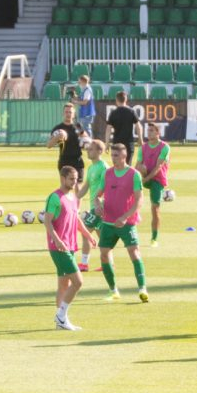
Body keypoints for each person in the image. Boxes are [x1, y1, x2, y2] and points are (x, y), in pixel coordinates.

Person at [44, 165, 96, 331]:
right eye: (71, 179)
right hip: (59, 248)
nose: (74, 183)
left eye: (76, 179)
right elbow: (47, 221)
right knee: (78, 282)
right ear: (62, 178)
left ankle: (61, 320)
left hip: (71, 246)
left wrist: (88, 235)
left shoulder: (73, 197)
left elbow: (76, 219)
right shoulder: (54, 198)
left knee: (63, 284)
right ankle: (60, 316)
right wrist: (57, 240)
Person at [96, 143, 148, 302]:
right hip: (108, 223)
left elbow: (139, 201)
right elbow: (98, 195)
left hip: (127, 223)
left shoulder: (134, 175)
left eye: (116, 156)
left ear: (124, 157)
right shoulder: (107, 173)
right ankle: (113, 291)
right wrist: (97, 204)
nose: (113, 158)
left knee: (134, 252)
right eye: (112, 155)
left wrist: (125, 217)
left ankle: (142, 289)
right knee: (104, 255)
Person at [135, 122, 171, 248]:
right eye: (148, 130)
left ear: (157, 133)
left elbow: (158, 167)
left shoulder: (164, 147)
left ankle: (154, 238)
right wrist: (135, 178)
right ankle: (134, 213)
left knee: (155, 209)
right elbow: (137, 165)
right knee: (142, 167)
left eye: (151, 130)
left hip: (157, 180)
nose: (148, 133)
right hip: (145, 176)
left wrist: (144, 181)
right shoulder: (143, 147)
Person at [75, 138, 108, 272]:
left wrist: (100, 203)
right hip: (95, 207)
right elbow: (86, 187)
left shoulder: (104, 167)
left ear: (100, 151)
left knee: (85, 231)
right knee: (102, 237)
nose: (87, 151)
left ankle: (84, 264)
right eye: (87, 149)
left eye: (91, 149)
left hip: (101, 207)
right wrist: (73, 199)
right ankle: (108, 263)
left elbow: (106, 187)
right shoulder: (91, 167)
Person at [47, 103, 86, 181]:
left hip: (77, 160)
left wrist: (85, 142)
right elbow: (49, 145)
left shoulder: (78, 126)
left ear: (74, 114)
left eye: (70, 112)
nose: (68, 114)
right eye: (66, 112)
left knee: (78, 187)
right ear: (63, 113)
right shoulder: (58, 128)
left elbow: (86, 139)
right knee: (64, 187)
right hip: (64, 161)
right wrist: (57, 137)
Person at [104, 91, 142, 165]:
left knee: (117, 165)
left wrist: (107, 143)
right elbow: (138, 126)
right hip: (128, 143)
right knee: (128, 165)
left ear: (117, 100)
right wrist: (140, 139)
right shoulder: (131, 111)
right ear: (126, 99)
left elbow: (108, 129)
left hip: (117, 143)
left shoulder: (113, 113)